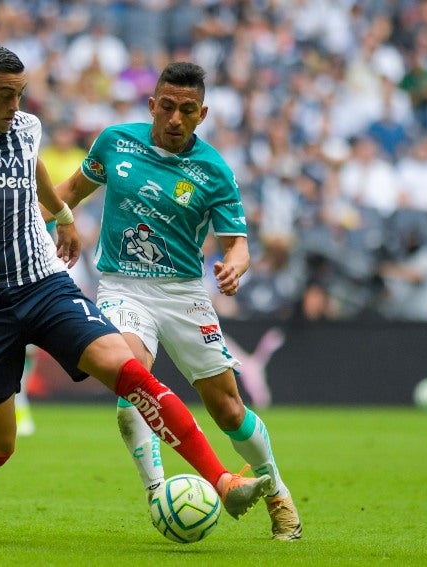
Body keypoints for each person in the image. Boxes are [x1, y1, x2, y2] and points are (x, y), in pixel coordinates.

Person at [0, 45, 271, 540]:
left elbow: (32, 164)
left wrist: (61, 216)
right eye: (5, 95)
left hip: (44, 282)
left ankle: (223, 478)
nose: (15, 106)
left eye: (21, 94)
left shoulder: (25, 125)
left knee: (130, 374)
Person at [55, 61, 303, 541]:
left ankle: (277, 491)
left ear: (202, 113)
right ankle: (158, 494)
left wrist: (236, 265)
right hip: (124, 286)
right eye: (166, 107)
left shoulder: (213, 170)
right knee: (132, 384)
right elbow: (69, 192)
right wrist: (41, 223)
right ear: (152, 104)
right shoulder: (115, 142)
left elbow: (238, 244)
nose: (174, 118)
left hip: (185, 294)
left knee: (229, 410)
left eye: (186, 110)